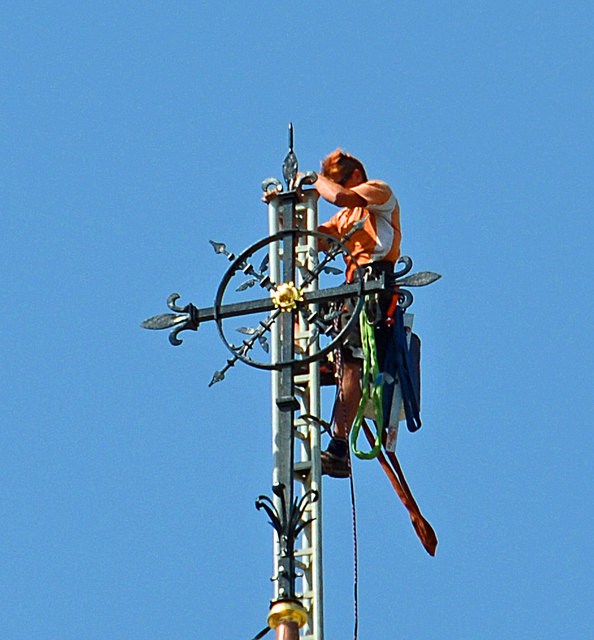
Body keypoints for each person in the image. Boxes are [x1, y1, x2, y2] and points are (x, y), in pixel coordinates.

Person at [312, 149, 402, 477]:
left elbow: (339, 197)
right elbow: (312, 237)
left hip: (375, 285)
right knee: (300, 309)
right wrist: (286, 206)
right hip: (353, 290)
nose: (329, 186)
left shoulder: (378, 192)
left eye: (335, 179)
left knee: (353, 360)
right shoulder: (346, 220)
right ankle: (319, 364)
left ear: (354, 176)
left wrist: (313, 180)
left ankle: (338, 448)